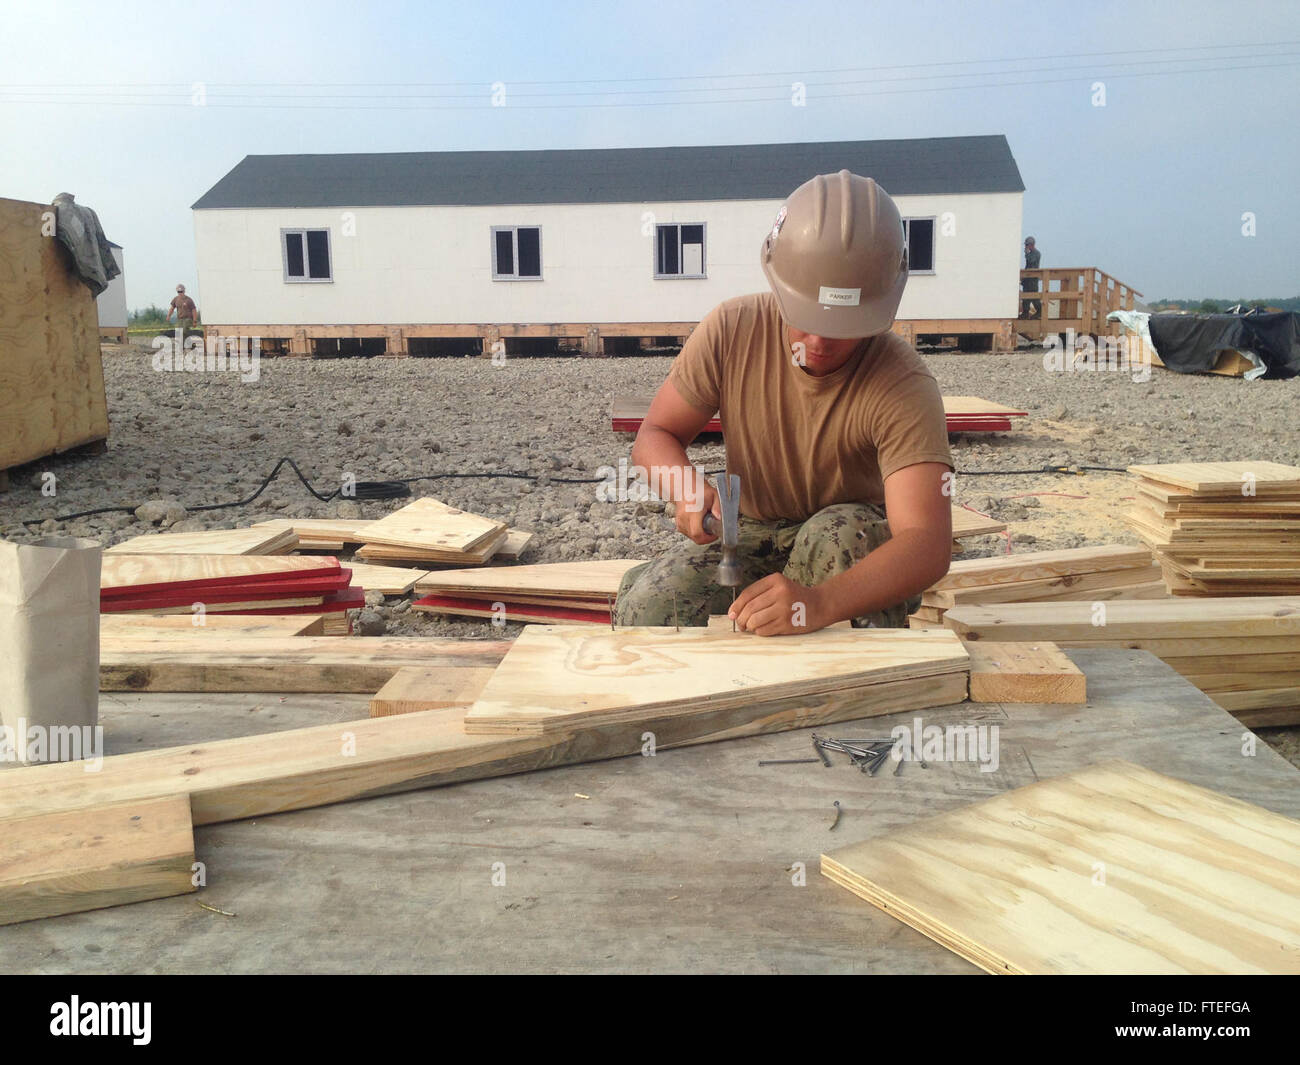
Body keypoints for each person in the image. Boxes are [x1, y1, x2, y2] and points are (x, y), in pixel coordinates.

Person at [614, 170, 954, 636]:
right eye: (804, 318)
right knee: (647, 613)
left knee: (839, 540)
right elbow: (655, 435)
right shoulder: (733, 329)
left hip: (843, 545)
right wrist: (683, 486)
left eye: (841, 328)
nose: (817, 343)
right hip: (748, 533)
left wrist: (820, 603)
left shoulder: (901, 381)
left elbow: (927, 543)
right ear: (780, 287)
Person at [1020, 237, 1041, 319]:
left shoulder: (1037, 253)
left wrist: (1027, 253)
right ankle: (1025, 313)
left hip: (1033, 280)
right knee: (1025, 298)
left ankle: (1040, 312)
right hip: (1027, 279)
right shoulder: (1031, 253)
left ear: (1031, 245)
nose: (1026, 246)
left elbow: (1031, 261)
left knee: (1034, 297)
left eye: (1027, 245)